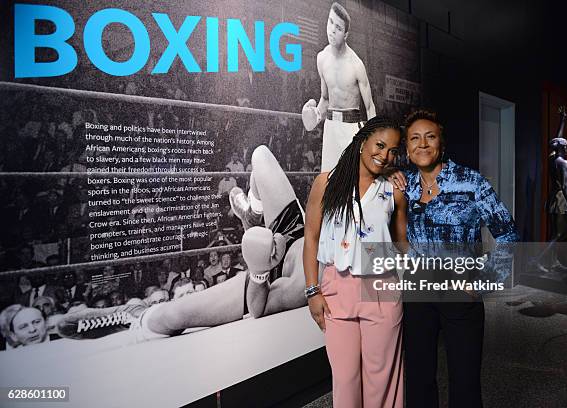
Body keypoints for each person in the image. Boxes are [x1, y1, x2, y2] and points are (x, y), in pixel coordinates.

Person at [57, 146, 307, 340]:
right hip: (295, 232)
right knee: (261, 155)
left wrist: (259, 271)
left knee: (174, 317)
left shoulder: (303, 286)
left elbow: (258, 308)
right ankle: (253, 214)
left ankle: (134, 314)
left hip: (268, 275)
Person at [390, 109, 519, 408]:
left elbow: (509, 235)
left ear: (441, 144)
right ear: (407, 149)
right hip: (417, 289)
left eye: (430, 137)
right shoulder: (403, 185)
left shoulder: (471, 182)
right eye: (414, 139)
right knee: (419, 377)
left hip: (461, 288)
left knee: (464, 379)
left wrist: (484, 282)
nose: (422, 144)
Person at [304, 117, 407, 408]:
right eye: (380, 145)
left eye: (393, 150)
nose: (385, 155)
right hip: (338, 287)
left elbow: (402, 245)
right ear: (363, 142)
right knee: (346, 381)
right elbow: (311, 238)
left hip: (382, 286)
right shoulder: (326, 183)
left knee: (382, 381)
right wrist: (313, 291)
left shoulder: (394, 190)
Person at [301, 2, 376, 172]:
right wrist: (316, 115)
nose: (332, 30)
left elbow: (370, 106)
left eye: (338, 28)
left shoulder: (356, 65)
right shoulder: (321, 58)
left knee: (351, 184)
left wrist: (372, 139)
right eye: (330, 22)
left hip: (352, 128)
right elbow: (326, 98)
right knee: (328, 180)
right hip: (330, 126)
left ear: (346, 34)